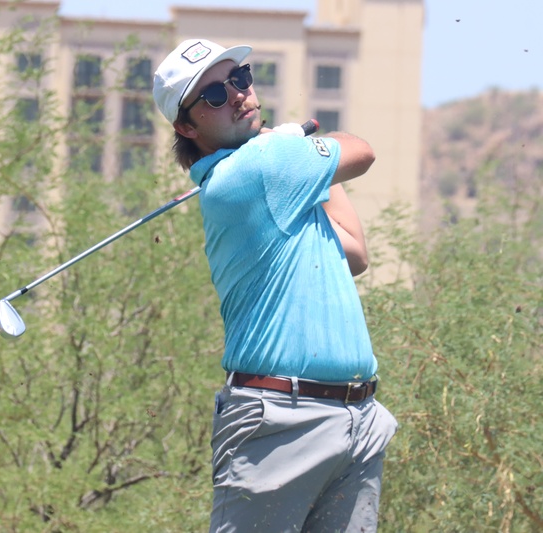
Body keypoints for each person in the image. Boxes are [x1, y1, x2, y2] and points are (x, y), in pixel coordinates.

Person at [152, 39, 398, 532]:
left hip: (356, 419)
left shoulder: (274, 174)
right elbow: (363, 151)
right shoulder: (255, 169)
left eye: (239, 78)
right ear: (187, 127)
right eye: (214, 95)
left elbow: (353, 253)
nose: (237, 95)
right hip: (279, 421)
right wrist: (293, 147)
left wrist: (307, 167)